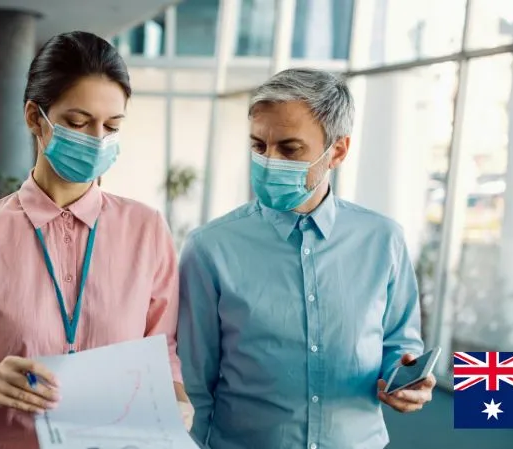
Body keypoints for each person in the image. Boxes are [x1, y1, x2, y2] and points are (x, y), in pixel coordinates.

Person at [0, 31, 193, 449]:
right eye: (78, 123)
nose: (97, 139)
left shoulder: (147, 229)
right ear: (33, 118)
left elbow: (163, 353)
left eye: (111, 126)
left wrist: (178, 403)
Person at [177, 68, 434, 449]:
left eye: (289, 148)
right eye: (258, 146)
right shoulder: (209, 248)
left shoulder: (383, 240)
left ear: (339, 151)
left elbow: (399, 344)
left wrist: (406, 379)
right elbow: (194, 386)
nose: (268, 161)